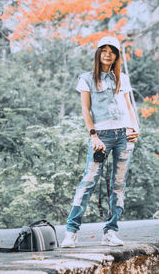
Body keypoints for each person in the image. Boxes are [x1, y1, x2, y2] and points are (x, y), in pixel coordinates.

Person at [61, 36, 139, 247]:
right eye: (103, 50)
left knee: (118, 185)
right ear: (98, 53)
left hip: (124, 135)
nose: (107, 53)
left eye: (111, 50)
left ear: (116, 55)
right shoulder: (87, 78)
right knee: (88, 182)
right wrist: (93, 135)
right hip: (101, 136)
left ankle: (111, 231)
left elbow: (128, 106)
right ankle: (71, 231)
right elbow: (85, 109)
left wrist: (135, 129)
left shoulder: (122, 78)